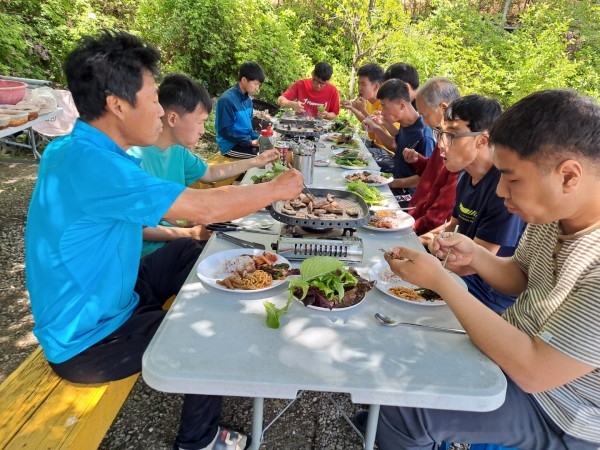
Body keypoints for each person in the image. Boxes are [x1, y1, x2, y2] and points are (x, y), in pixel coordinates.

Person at [24, 30, 303, 450]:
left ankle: (203, 309)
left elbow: (192, 209)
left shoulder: (78, 150)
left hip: (120, 293)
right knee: (212, 338)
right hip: (89, 339)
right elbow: (204, 208)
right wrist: (278, 189)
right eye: (154, 97)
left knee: (191, 250)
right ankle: (198, 439)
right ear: (117, 105)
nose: (160, 110)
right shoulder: (96, 165)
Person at [370, 89, 600, 449]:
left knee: (406, 411)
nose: (502, 191)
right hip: (515, 356)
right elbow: (520, 277)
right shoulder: (551, 216)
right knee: (397, 342)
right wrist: (476, 257)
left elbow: (535, 372)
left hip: (559, 409)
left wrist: (441, 281)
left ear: (569, 176)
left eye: (513, 179)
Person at [128, 73, 280, 257]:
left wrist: (256, 161)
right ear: (173, 118)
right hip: (151, 255)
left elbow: (209, 173)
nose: (202, 130)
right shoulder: (134, 159)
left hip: (182, 237)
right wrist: (189, 233)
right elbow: (138, 229)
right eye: (200, 122)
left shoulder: (177, 150)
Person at [420, 95, 524, 313]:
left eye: (452, 135)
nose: (440, 144)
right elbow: (452, 225)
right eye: (440, 133)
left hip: (488, 289)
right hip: (456, 267)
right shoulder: (465, 176)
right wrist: (421, 241)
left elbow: (470, 265)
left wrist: (427, 266)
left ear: (482, 140)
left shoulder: (503, 189)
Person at [402, 77, 461, 235]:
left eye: (426, 116)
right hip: (414, 215)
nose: (425, 123)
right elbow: (435, 173)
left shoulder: (457, 148)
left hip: (424, 230)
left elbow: (439, 215)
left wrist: (408, 230)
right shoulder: (442, 134)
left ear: (443, 108)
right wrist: (419, 161)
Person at [364, 79, 435, 197]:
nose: (382, 112)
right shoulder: (406, 123)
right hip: (395, 181)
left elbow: (427, 177)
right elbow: (396, 145)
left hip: (408, 194)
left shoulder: (424, 135)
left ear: (402, 104)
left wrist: (392, 183)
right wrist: (376, 128)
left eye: (384, 106)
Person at [341, 63, 395, 172]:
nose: (359, 88)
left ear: (375, 86)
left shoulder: (384, 104)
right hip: (375, 146)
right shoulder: (370, 102)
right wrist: (353, 108)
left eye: (363, 84)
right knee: (345, 149)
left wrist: (363, 110)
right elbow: (367, 121)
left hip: (386, 152)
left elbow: (381, 133)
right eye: (358, 84)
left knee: (350, 157)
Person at [215, 61, 264, 158]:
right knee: (262, 158)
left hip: (245, 142)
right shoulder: (227, 100)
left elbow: (248, 129)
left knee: (269, 151)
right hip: (230, 147)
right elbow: (224, 131)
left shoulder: (248, 100)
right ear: (244, 80)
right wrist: (249, 142)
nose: (257, 88)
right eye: (255, 84)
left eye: (259, 85)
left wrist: (259, 138)